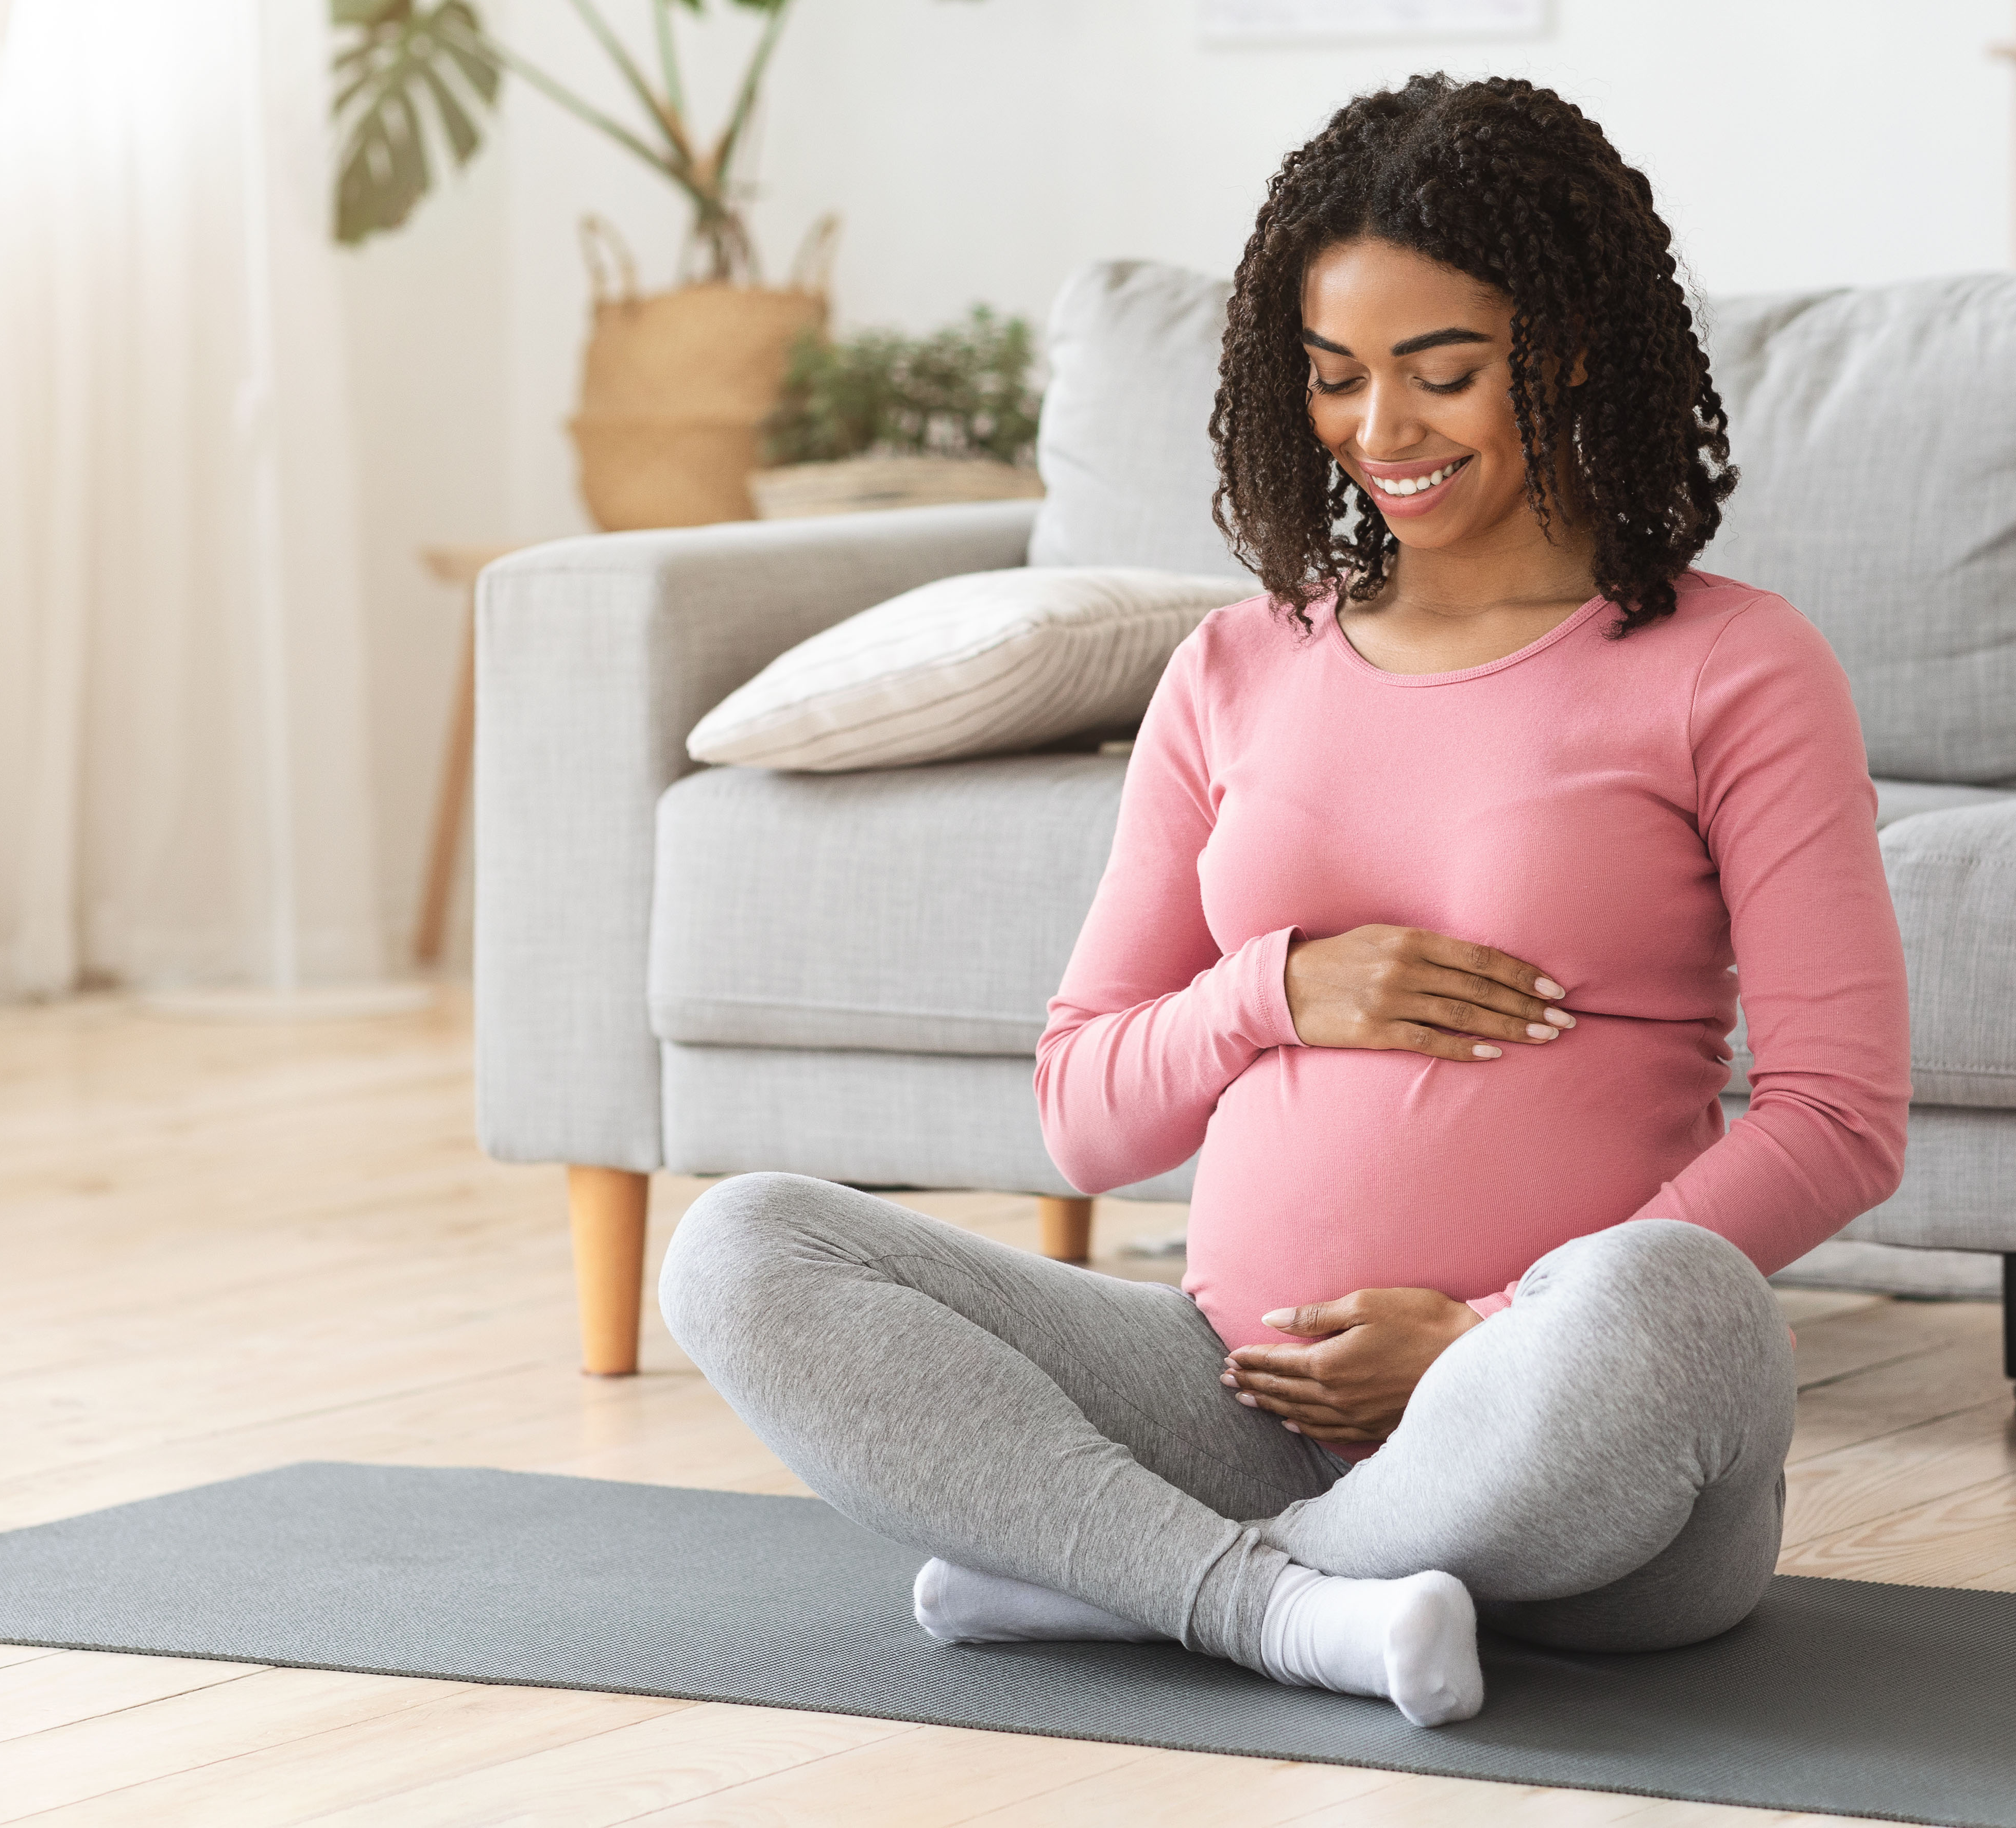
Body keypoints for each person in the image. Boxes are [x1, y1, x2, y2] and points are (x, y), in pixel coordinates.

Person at [660, 74, 1907, 1728]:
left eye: (1442, 373)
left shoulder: (1736, 667)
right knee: (744, 1244)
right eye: (1337, 379)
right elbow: (1083, 1118)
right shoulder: (1236, 670)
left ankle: (1143, 1579)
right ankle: (1280, 1603)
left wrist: (1486, 1334)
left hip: (1571, 1440)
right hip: (1230, 1389)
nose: (1382, 431)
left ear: (1578, 346)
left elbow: (1840, 1116)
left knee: (1672, 1308)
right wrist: (1279, 991)